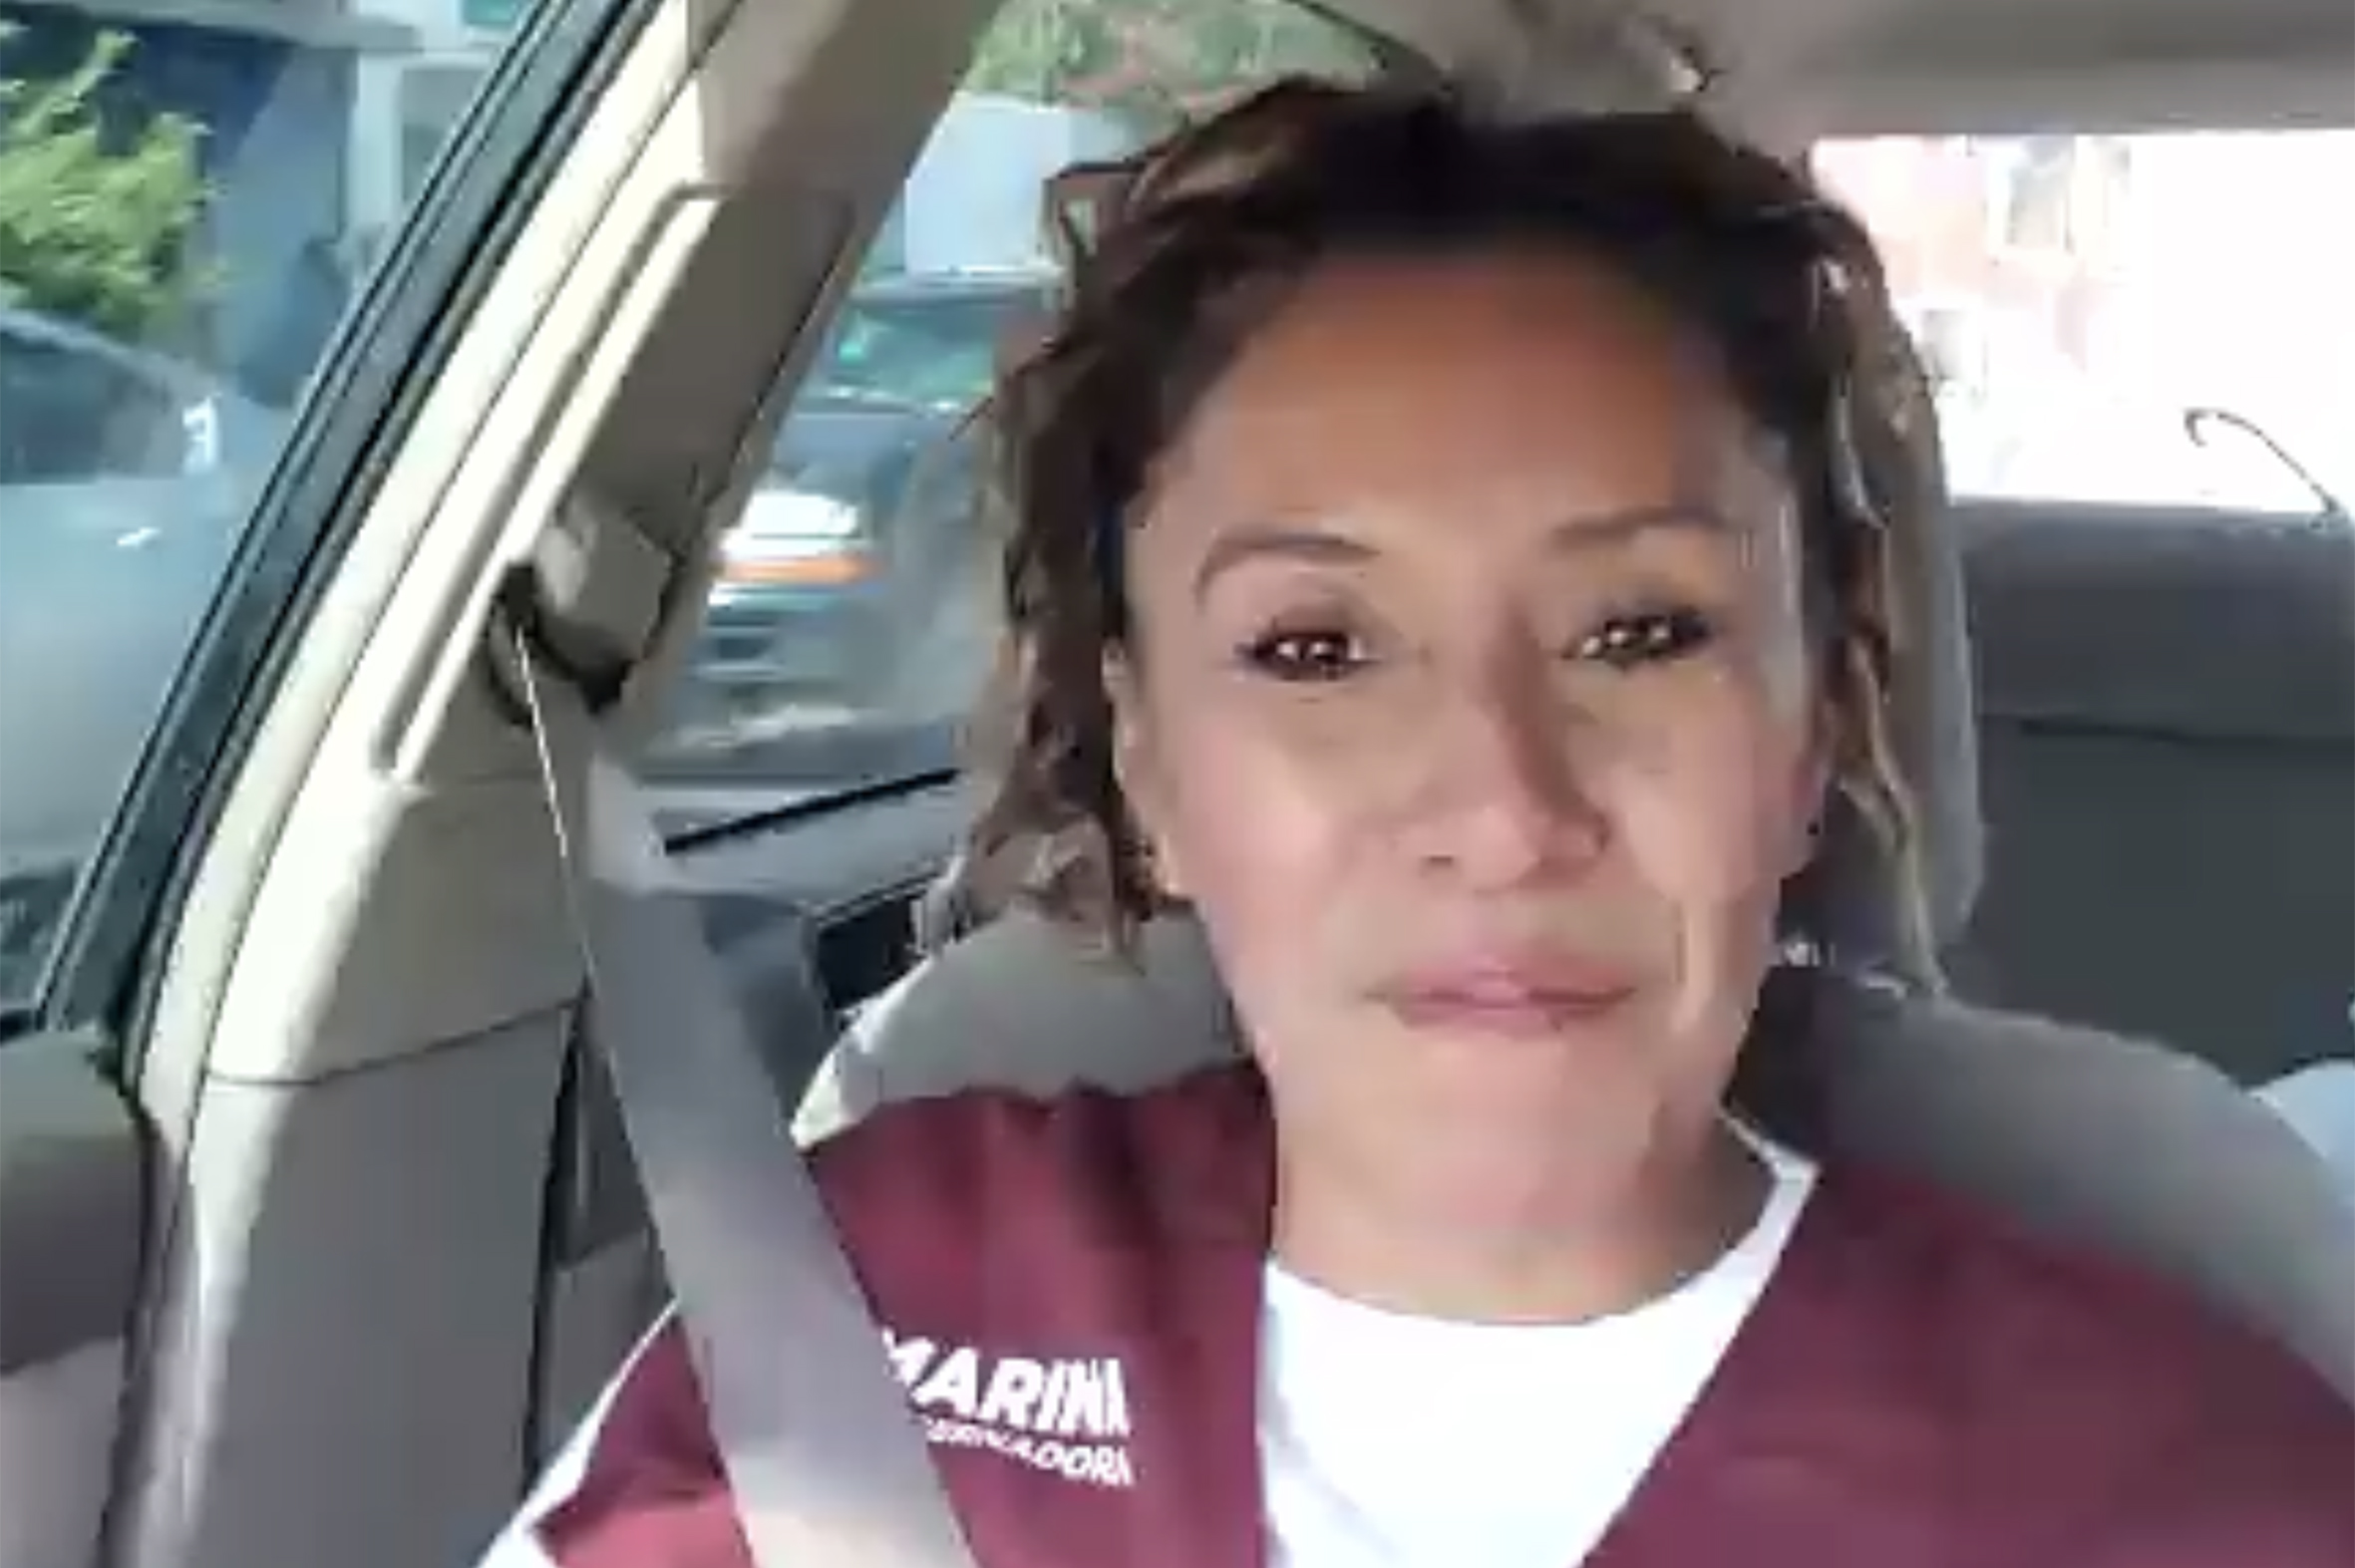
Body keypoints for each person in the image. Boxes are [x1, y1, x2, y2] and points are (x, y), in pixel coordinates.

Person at [486, 78, 2353, 1567]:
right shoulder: (861, 1300)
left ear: (1814, 730)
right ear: (1147, 763)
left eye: (1640, 632)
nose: (1502, 811)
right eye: (1314, 647)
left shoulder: (2178, 1486)